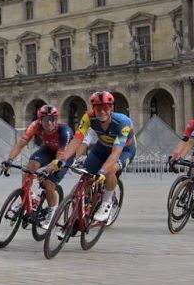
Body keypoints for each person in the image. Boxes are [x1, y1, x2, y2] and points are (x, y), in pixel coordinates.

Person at [56, 91, 135, 223]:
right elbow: (77, 140)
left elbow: (116, 152)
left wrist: (102, 171)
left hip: (124, 150)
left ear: (112, 108)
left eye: (106, 107)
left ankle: (107, 202)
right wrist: (63, 159)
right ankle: (83, 206)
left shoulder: (123, 122)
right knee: (86, 176)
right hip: (102, 147)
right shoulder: (88, 118)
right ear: (93, 109)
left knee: (109, 171)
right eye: (98, 108)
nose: (102, 111)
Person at [2, 104, 72, 228]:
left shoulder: (64, 131)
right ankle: (28, 196)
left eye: (53, 120)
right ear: (40, 120)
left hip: (65, 155)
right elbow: (21, 143)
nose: (50, 123)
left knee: (49, 184)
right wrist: (9, 160)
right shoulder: (35, 126)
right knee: (30, 167)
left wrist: (47, 170)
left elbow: (60, 156)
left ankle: (52, 212)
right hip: (49, 149)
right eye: (46, 120)